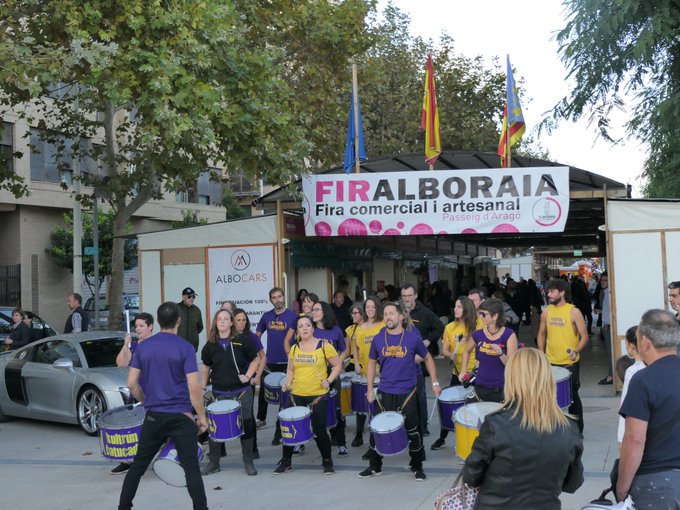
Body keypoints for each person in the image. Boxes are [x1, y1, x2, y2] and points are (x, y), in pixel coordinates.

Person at [462, 348, 584, 509]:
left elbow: (470, 476)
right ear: (548, 380)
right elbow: (572, 484)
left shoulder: (495, 424)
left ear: (511, 379)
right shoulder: (569, 428)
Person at [118, 302, 208, 510]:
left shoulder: (144, 347)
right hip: (181, 417)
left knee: (138, 467)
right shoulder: (185, 347)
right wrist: (201, 416)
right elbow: (194, 388)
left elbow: (131, 384)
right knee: (191, 469)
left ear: (157, 322)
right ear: (179, 320)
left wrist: (146, 401)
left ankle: (123, 507)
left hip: (154, 417)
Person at [359, 301, 442, 481]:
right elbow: (372, 363)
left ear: (401, 316)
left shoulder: (412, 338)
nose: (388, 317)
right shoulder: (378, 338)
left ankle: (417, 466)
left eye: (391, 313)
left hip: (407, 391)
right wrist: (370, 389)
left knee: (413, 431)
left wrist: (435, 383)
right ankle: (374, 466)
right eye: (385, 314)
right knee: (376, 429)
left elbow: (428, 358)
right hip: (385, 390)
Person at [617, 309, 680, 507]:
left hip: (657, 483)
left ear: (645, 342)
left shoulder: (643, 380)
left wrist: (622, 487)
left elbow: (635, 439)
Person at [274, 315, 342, 475]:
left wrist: (329, 380)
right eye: (300, 326)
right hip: (296, 394)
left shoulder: (324, 346)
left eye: (307, 325)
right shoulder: (294, 348)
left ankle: (327, 461)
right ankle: (286, 461)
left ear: (312, 328)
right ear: (297, 331)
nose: (304, 328)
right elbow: (291, 369)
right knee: (289, 428)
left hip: (318, 395)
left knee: (319, 430)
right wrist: (287, 383)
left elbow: (337, 365)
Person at [201, 309, 259, 476]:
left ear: (231, 322)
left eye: (226, 319)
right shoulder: (210, 345)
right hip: (218, 392)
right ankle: (214, 462)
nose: (222, 321)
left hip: (241, 391)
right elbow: (205, 367)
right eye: (219, 319)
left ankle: (248, 461)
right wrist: (203, 387)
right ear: (215, 322)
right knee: (215, 427)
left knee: (246, 424)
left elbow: (255, 360)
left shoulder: (241, 341)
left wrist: (248, 375)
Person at [537, 278, 589, 434]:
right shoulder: (546, 311)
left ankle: (577, 430)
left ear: (562, 292)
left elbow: (584, 336)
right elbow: (541, 333)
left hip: (570, 363)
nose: (548, 294)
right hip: (551, 362)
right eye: (548, 291)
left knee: (572, 396)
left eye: (552, 291)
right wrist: (541, 353)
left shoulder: (574, 312)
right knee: (549, 397)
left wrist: (576, 351)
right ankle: (552, 429)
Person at [431, 296, 479, 450]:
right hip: (457, 372)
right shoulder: (450, 327)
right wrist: (450, 355)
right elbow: (445, 350)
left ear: (467, 309)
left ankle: (475, 439)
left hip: (475, 373)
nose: (455, 309)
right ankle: (442, 437)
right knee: (449, 404)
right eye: (455, 306)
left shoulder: (478, 326)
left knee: (475, 408)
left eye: (459, 307)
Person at [111, 312, 155, 475]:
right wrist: (126, 345)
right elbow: (121, 363)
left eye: (141, 325)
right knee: (131, 428)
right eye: (136, 326)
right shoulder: (134, 345)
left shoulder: (156, 344)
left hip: (155, 392)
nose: (138, 329)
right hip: (137, 392)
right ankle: (128, 459)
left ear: (150, 326)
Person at [255, 287, 298, 443]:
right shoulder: (266, 316)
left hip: (288, 363)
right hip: (270, 362)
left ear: (284, 297)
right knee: (263, 392)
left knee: (284, 397)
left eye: (279, 296)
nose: (277, 299)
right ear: (270, 300)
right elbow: (256, 337)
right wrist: (259, 356)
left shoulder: (293, 317)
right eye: (274, 297)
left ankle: (279, 431)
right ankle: (261, 418)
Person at [401, 283, 444, 436]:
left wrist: (428, 340)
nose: (407, 298)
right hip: (401, 361)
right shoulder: (398, 312)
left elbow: (440, 327)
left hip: (420, 359)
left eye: (409, 295)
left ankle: (423, 426)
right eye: (404, 296)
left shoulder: (425, 312)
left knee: (420, 394)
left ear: (415, 296)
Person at [459, 298, 518, 403]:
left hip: (501, 388)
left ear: (495, 316)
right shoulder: (478, 334)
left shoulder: (509, 335)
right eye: (479, 313)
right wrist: (463, 371)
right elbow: (466, 351)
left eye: (483, 314)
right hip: (480, 386)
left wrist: (501, 353)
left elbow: (512, 364)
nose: (480, 317)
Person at [311, 301, 349, 456]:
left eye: (317, 309)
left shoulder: (335, 330)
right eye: (313, 310)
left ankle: (341, 443)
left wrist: (337, 364)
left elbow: (344, 350)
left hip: (332, 375)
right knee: (314, 409)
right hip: (314, 376)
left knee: (336, 408)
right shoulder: (309, 330)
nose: (313, 312)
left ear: (325, 312)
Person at [233, 308, 266, 459]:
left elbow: (262, 357)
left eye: (244, 320)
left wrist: (257, 376)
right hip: (230, 382)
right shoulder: (228, 337)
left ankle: (253, 449)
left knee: (248, 415)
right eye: (238, 320)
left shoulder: (252, 337)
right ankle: (220, 450)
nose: (241, 323)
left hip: (247, 381)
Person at [351, 296, 384, 449]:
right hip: (364, 372)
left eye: (373, 306)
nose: (370, 309)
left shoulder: (383, 325)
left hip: (380, 374)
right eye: (367, 307)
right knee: (361, 406)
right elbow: (355, 346)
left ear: (378, 308)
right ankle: (359, 434)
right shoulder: (361, 327)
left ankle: (375, 440)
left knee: (375, 408)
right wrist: (356, 363)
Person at [617, 326, 644, 448]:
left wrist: (621, 438)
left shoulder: (632, 371)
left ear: (632, 346)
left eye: (626, 343)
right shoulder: (656, 366)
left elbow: (626, 406)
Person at [595, 272, 614, 384]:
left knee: (611, 352)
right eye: (602, 280)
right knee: (610, 352)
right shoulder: (606, 293)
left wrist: (607, 324)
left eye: (605, 280)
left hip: (608, 326)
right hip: (606, 325)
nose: (603, 282)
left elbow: (614, 311)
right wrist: (602, 311)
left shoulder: (610, 294)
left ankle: (611, 376)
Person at [177, 287, 203, 352]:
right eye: (189, 296)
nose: (191, 299)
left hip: (192, 347)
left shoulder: (197, 310)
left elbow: (200, 328)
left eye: (193, 296)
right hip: (178, 347)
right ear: (183, 297)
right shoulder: (176, 308)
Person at [344, 302, 364, 372]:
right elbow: (347, 351)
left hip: (368, 363)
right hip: (353, 364)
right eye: (352, 313)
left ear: (363, 313)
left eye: (355, 313)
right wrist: (338, 362)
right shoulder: (350, 329)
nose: (352, 315)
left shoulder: (370, 329)